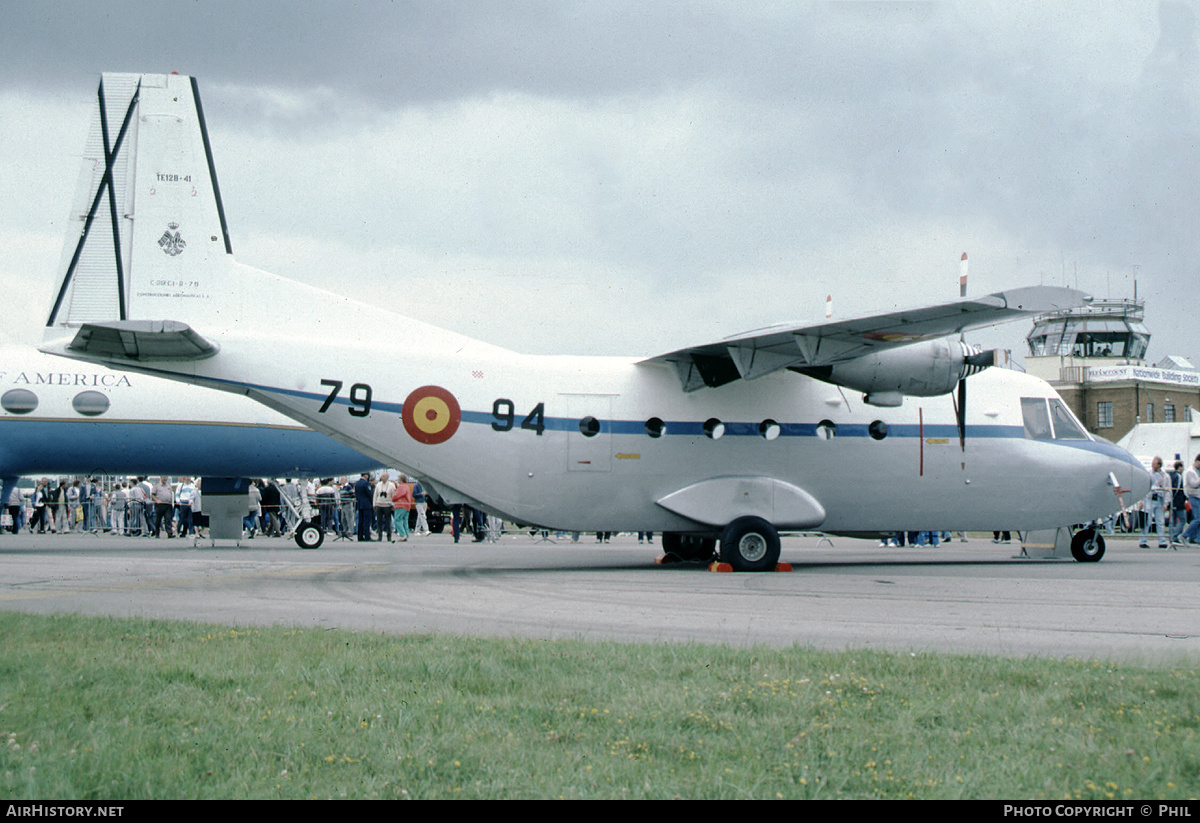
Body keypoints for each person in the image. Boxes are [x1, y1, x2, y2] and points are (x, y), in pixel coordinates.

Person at [1139, 456, 1170, 549]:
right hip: (1150, 499)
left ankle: (1162, 541)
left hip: (1159, 500)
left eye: (1154, 464)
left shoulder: (1165, 476)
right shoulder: (1148, 474)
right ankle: (1142, 541)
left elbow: (1168, 490)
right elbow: (1143, 487)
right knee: (1147, 521)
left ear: (1159, 465)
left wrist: (1166, 503)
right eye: (1152, 464)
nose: (1153, 465)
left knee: (1160, 521)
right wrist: (1141, 501)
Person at [1180, 456, 1200, 545]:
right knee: (1197, 518)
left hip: (1198, 497)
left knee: (1199, 519)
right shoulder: (1190, 472)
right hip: (1193, 497)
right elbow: (1193, 484)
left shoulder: (1197, 471)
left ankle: (1197, 538)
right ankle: (1184, 535)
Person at [373, 472, 396, 543]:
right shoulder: (378, 485)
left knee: (388, 521)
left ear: (387, 477)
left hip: (387, 505)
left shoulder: (391, 485)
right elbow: (375, 495)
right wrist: (374, 504)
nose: (382, 477)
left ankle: (389, 537)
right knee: (379, 521)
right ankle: (379, 536)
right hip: (379, 505)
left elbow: (394, 496)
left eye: (383, 476)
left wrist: (393, 505)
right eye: (381, 476)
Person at [1169, 461, 1187, 547]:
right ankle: (1174, 536)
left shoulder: (1171, 475)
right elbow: (1176, 489)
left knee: (1173, 520)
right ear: (1179, 467)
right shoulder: (1178, 476)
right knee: (1183, 519)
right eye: (1182, 467)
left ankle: (1172, 537)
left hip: (1173, 501)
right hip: (1178, 501)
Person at [391, 474, 412, 541]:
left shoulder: (401, 487)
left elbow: (396, 496)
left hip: (401, 505)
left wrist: (393, 498)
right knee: (405, 521)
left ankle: (403, 535)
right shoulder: (406, 486)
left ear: (401, 480)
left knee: (397, 520)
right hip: (407, 505)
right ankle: (406, 534)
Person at [353, 473, 374, 541]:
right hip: (367, 504)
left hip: (360, 504)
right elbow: (369, 494)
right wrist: (372, 503)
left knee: (360, 521)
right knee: (366, 521)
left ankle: (360, 536)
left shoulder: (357, 484)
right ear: (366, 475)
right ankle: (367, 536)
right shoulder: (366, 483)